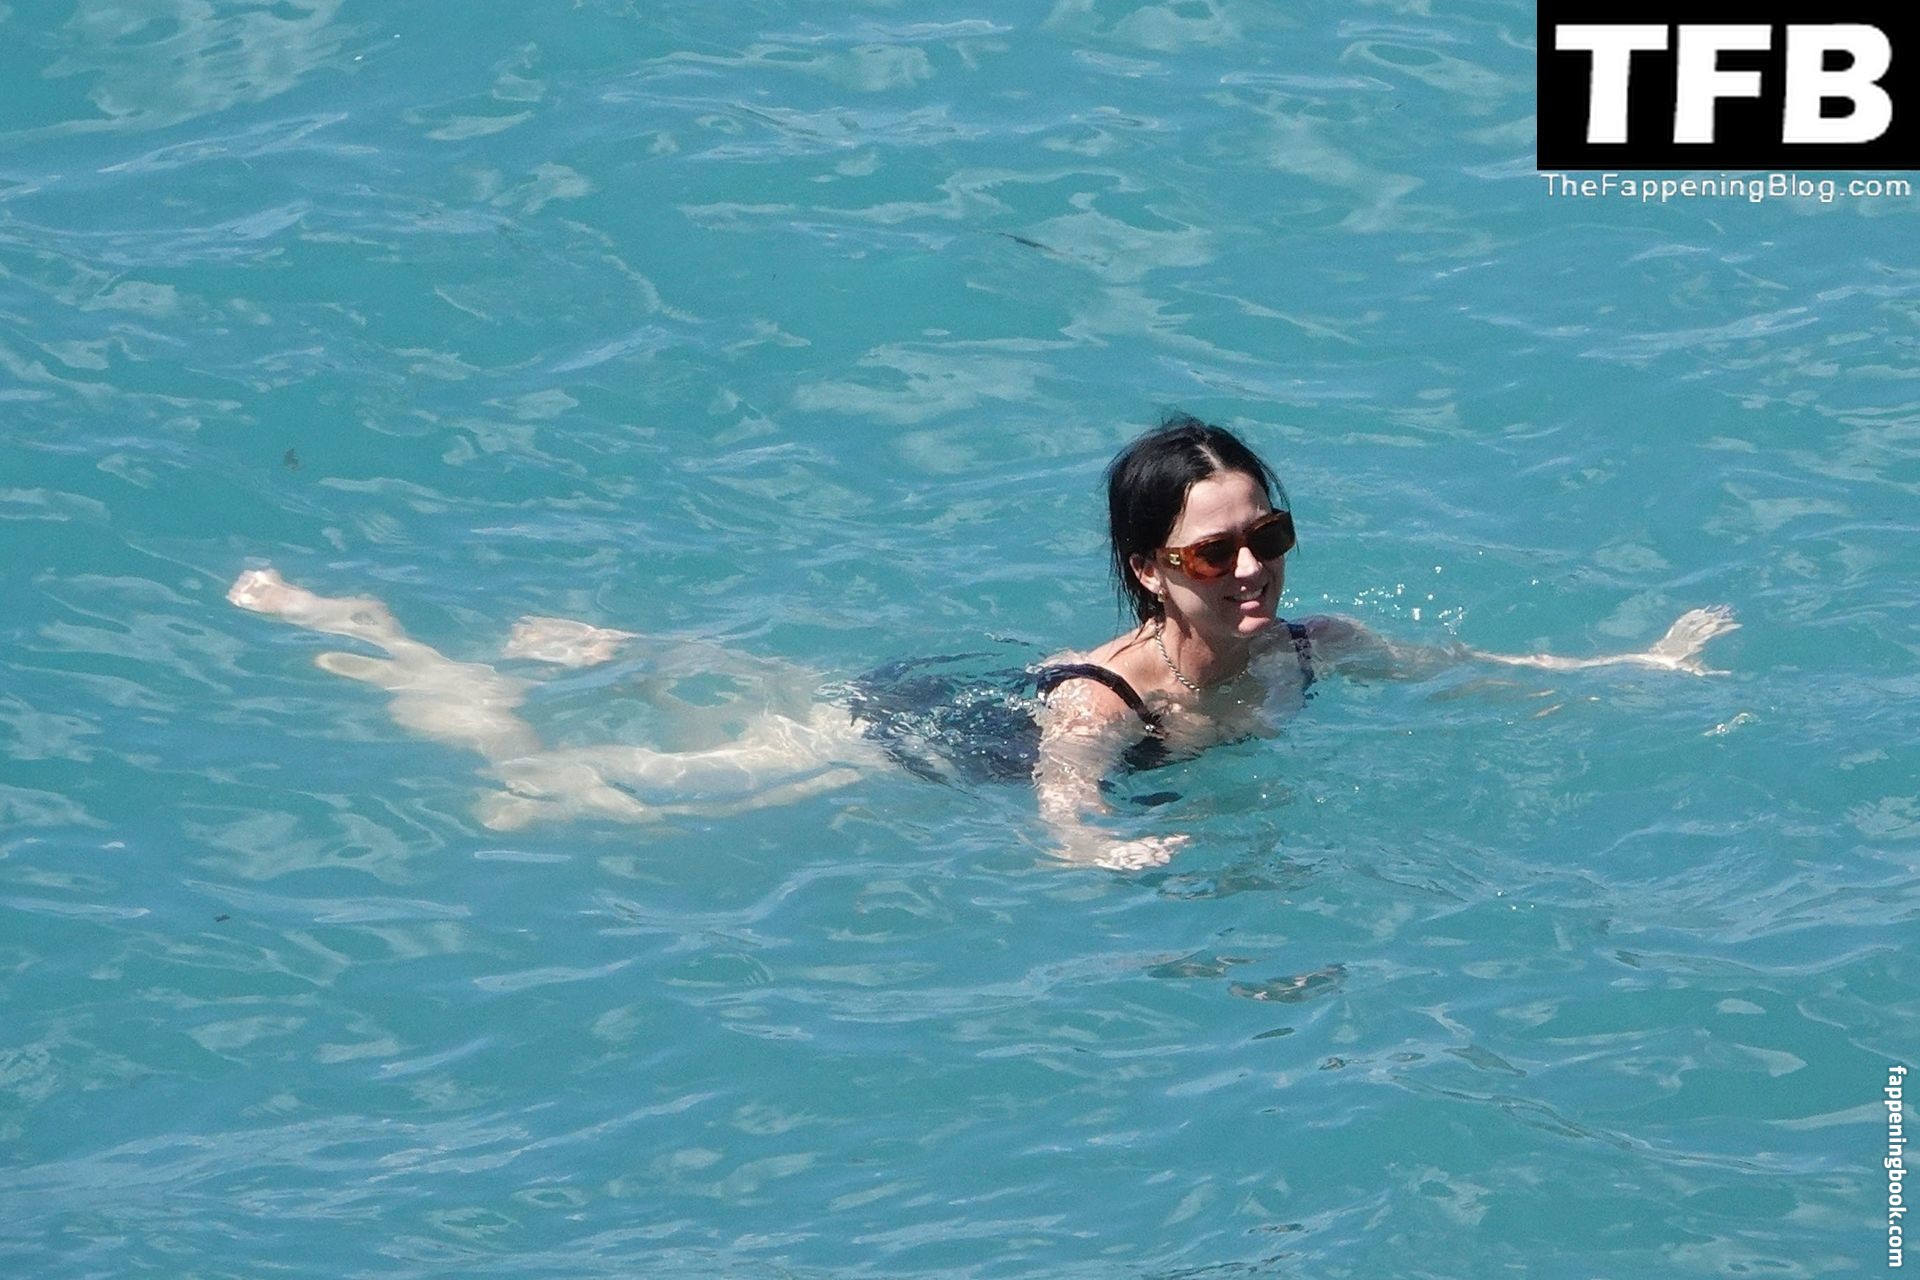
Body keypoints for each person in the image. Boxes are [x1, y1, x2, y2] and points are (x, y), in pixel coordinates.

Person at [226, 412, 1739, 870]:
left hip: (965, 698)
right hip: (937, 741)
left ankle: (626, 641)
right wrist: (1101, 853)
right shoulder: (1105, 704)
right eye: (1216, 551)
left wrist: (1642, 669)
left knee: (745, 701)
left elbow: (1485, 675)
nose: (1255, 567)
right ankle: (377, 637)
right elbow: (1063, 802)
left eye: (1270, 533)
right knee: (571, 793)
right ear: (1150, 570)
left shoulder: (1308, 645)